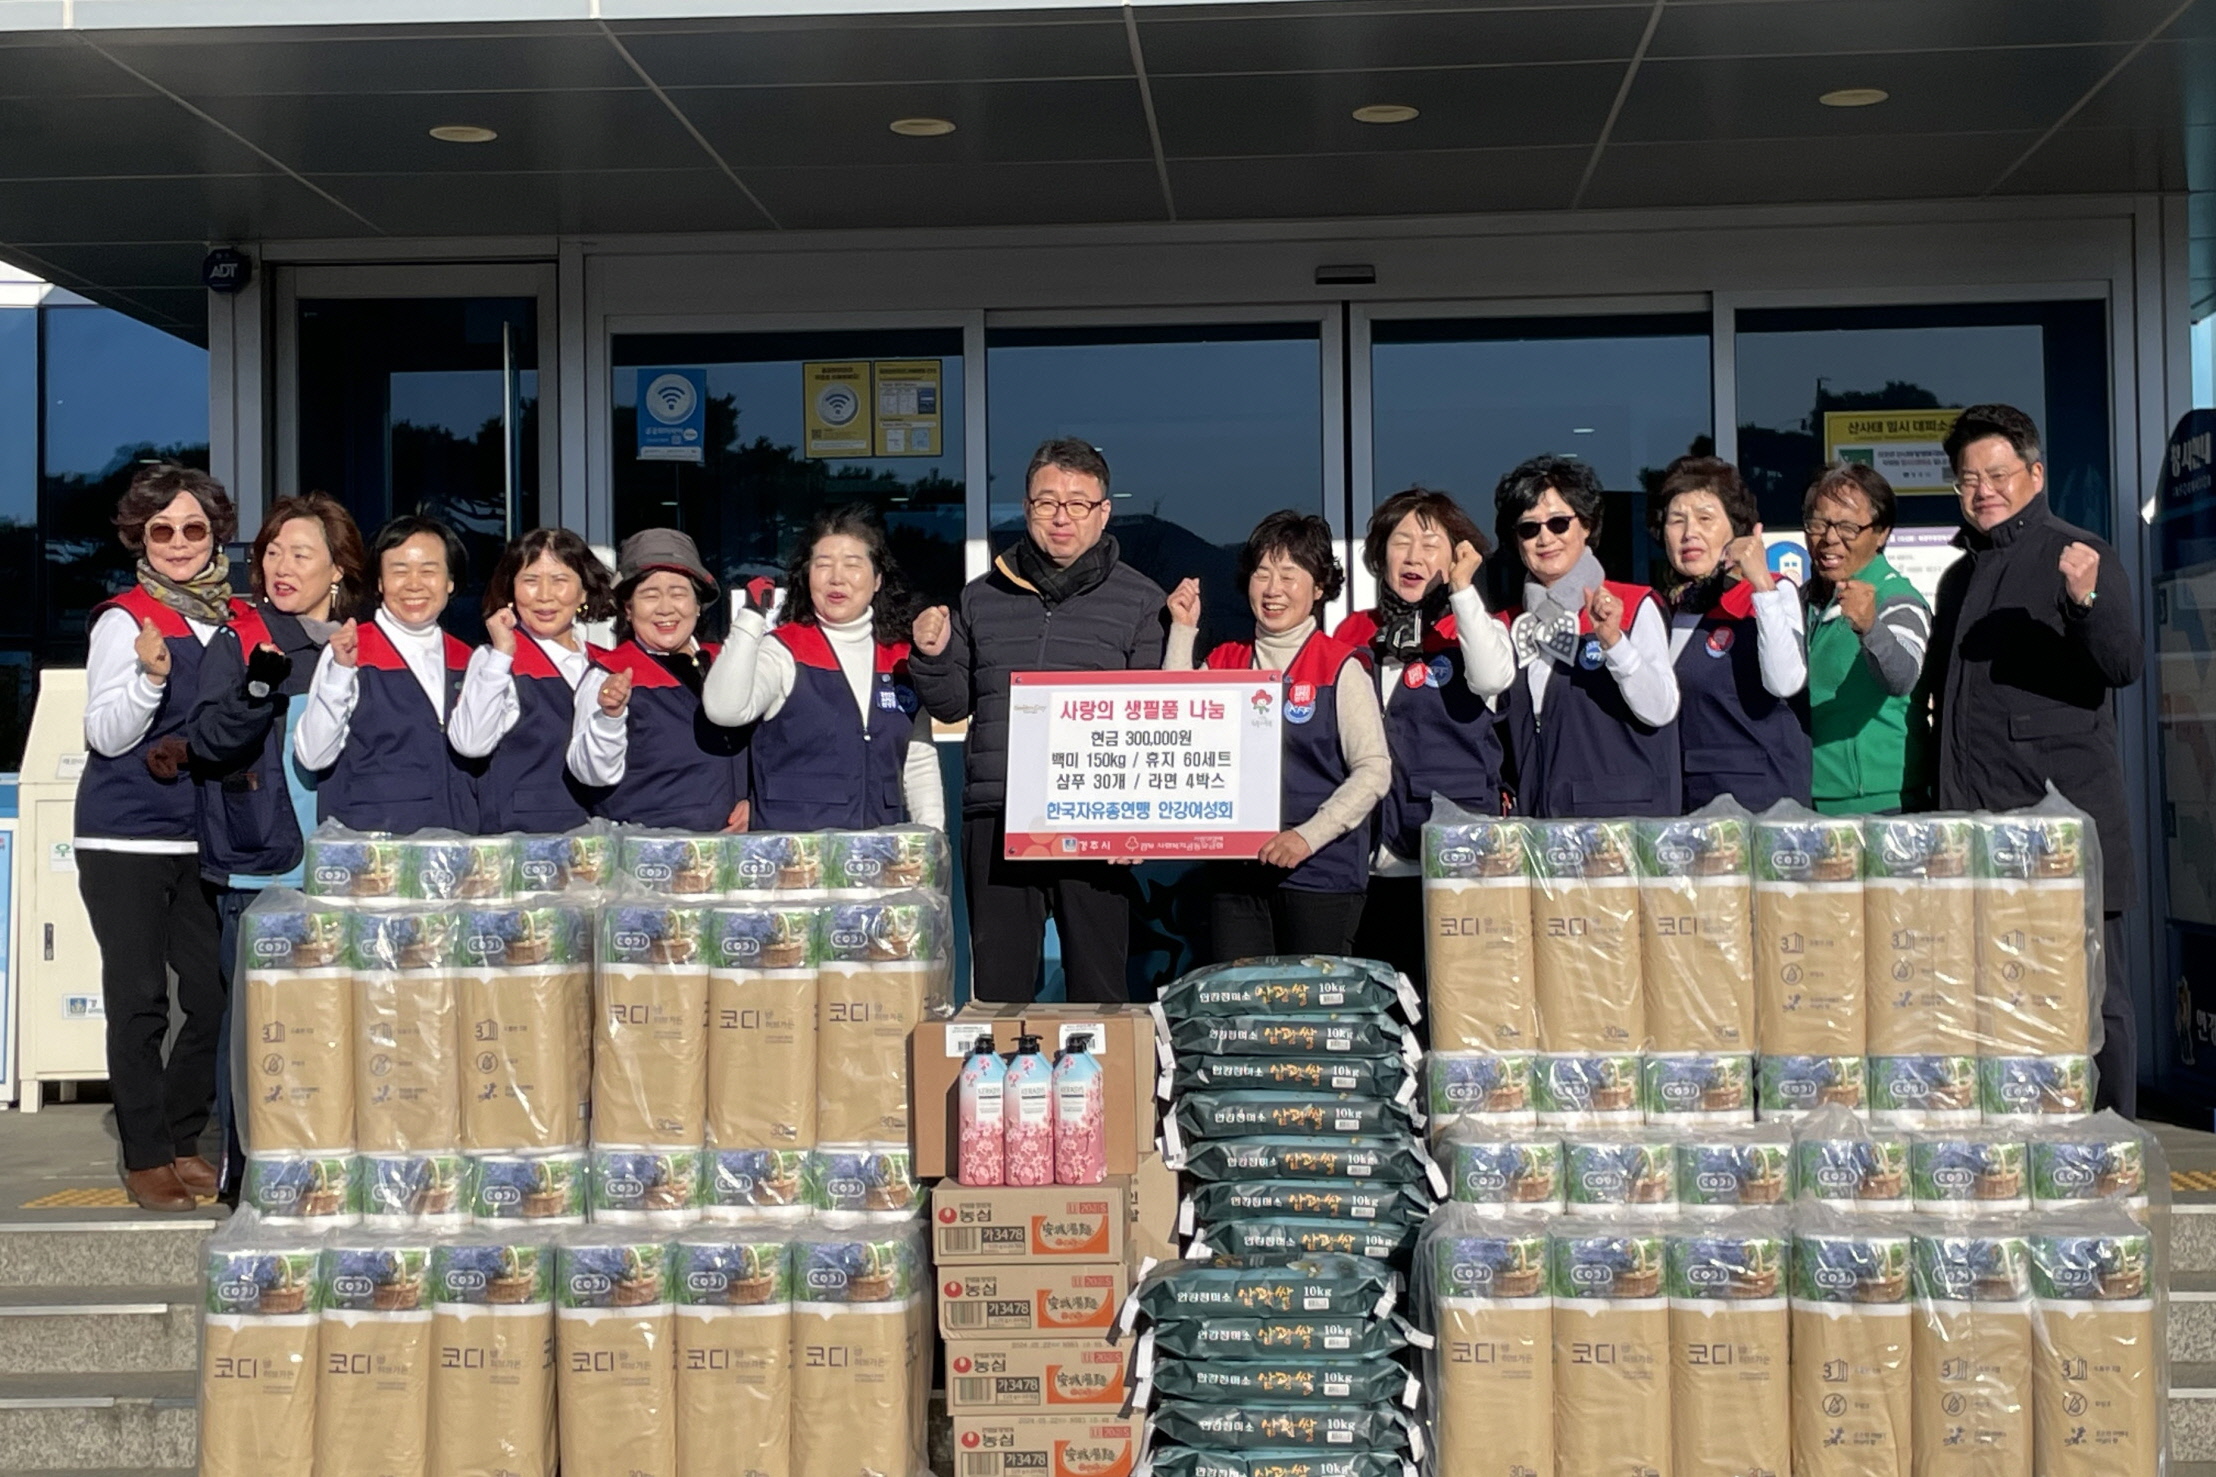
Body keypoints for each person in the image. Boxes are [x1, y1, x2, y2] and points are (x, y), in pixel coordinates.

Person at [1923, 403, 2142, 1114]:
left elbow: (2123, 662)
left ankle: (2112, 1140)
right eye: (1967, 479)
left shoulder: (2077, 552)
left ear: (2035, 474)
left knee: (2091, 999)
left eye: (1998, 474)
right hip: (1977, 830)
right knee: (1996, 995)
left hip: (2062, 832)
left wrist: (2088, 599)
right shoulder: (1959, 578)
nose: (1983, 489)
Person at [909, 437, 1167, 1003]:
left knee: (1098, 992)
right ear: (1026, 508)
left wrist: (1139, 823)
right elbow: (952, 705)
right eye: (1047, 501)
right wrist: (930, 655)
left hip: (1097, 820)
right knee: (1000, 994)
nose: (1061, 517)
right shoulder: (980, 597)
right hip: (998, 814)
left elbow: (1155, 720)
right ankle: (1001, 1091)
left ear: (1103, 512)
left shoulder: (1142, 602)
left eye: (1078, 503)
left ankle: (1096, 1090)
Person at [188, 491, 367, 1201]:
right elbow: (208, 741)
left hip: (350, 868)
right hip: (263, 863)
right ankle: (248, 1173)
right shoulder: (241, 638)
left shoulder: (366, 642)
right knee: (257, 1034)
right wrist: (259, 685)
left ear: (337, 570)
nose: (280, 565)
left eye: (301, 552)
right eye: (271, 551)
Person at [75, 464, 241, 1211]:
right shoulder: (125, 617)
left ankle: (181, 1134)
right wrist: (147, 680)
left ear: (216, 536)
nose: (177, 543)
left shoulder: (233, 617)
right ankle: (147, 1155)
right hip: (127, 836)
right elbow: (104, 733)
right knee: (140, 998)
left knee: (211, 997)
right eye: (161, 530)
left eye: (193, 528)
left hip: (203, 835)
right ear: (140, 536)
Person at [1167, 512, 1391, 959]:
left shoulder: (1340, 665)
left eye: (1290, 575)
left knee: (1308, 1018)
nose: (1273, 589)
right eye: (1262, 573)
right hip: (1235, 876)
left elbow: (1373, 771)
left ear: (1319, 588)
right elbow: (1176, 730)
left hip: (1320, 873)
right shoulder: (1226, 660)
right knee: (1243, 1013)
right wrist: (1181, 628)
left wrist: (1307, 836)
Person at [1332, 487, 1514, 985]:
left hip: (1451, 859)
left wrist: (1462, 589)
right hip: (1365, 860)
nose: (1413, 557)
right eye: (1400, 542)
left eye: (1431, 544)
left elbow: (1493, 678)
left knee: (1453, 1004)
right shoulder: (1353, 632)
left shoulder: (1478, 626)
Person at [703, 505, 945, 831]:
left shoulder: (900, 658)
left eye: (852, 564)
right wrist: (750, 620)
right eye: (823, 564)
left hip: (875, 859)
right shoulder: (783, 650)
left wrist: (931, 839)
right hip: (795, 860)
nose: (836, 577)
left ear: (877, 580)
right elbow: (725, 710)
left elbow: (918, 760)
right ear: (807, 577)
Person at [1493, 455, 1681, 817]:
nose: (1545, 537)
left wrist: (1614, 643)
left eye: (1559, 523)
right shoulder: (1509, 624)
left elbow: (1661, 708)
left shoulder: (1633, 604)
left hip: (1619, 828)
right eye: (1529, 528)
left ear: (1586, 526)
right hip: (1538, 828)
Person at [294, 514, 480, 833]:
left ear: (450, 580)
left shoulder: (469, 658)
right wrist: (340, 672)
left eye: (428, 570)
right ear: (380, 582)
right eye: (399, 570)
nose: (414, 584)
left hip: (455, 847)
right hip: (374, 853)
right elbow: (313, 755)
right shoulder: (350, 650)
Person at [1651, 456, 1810, 811]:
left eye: (1706, 518)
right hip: (1692, 805)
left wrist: (1761, 584)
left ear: (1738, 530)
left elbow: (1786, 682)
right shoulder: (1671, 610)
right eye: (1677, 521)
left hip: (1760, 807)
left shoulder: (1773, 593)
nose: (1689, 532)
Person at [569, 528, 750, 832]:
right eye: (649, 595)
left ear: (697, 604)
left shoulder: (731, 663)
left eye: (679, 593)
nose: (666, 608)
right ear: (628, 609)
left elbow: (772, 750)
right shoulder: (608, 673)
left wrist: (755, 801)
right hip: (651, 858)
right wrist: (609, 717)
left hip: (734, 855)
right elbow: (590, 773)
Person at [449, 528, 617, 833]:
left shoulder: (606, 663)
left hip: (598, 840)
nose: (544, 595)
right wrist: (502, 654)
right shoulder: (495, 660)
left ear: (584, 591)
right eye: (530, 580)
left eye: (559, 580)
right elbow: (470, 743)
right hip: (523, 842)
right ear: (511, 589)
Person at [1801, 462, 1931, 816]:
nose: (1829, 539)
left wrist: (1870, 627)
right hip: (1807, 799)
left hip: (1882, 805)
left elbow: (1902, 676)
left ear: (1882, 534)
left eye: (1847, 527)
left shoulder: (1897, 598)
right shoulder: (1804, 600)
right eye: (1817, 524)